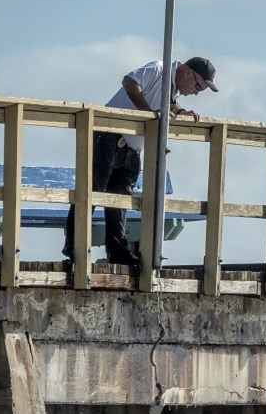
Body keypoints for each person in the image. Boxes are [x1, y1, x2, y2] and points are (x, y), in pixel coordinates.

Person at [63, 57, 218, 265]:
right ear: (188, 73)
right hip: (108, 136)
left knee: (120, 200)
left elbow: (167, 100)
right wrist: (148, 115)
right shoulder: (159, 69)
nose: (196, 92)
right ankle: (75, 247)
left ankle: (118, 251)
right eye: (198, 86)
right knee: (91, 193)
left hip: (132, 148)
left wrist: (179, 111)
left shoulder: (172, 88)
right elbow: (129, 82)